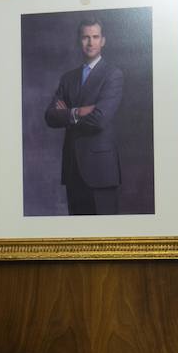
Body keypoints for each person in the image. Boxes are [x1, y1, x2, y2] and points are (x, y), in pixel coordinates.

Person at [44, 17, 125, 215]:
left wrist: (67, 115)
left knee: (105, 237)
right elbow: (50, 116)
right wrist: (78, 112)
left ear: (103, 40)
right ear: (79, 41)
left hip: (101, 170)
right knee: (78, 238)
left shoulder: (113, 74)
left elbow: (99, 119)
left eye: (95, 37)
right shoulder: (68, 78)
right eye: (85, 37)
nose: (90, 42)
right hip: (73, 169)